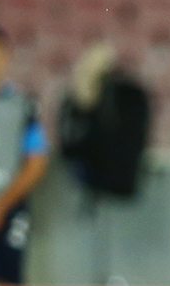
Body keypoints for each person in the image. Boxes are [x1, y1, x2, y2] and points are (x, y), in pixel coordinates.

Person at [0, 23, 48, 285]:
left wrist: (1, 205)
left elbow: (36, 161)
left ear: (6, 59)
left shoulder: (23, 107)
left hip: (6, 211)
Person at [59, 43, 151, 197]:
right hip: (116, 183)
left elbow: (71, 144)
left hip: (97, 183)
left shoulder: (122, 95)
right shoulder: (132, 93)